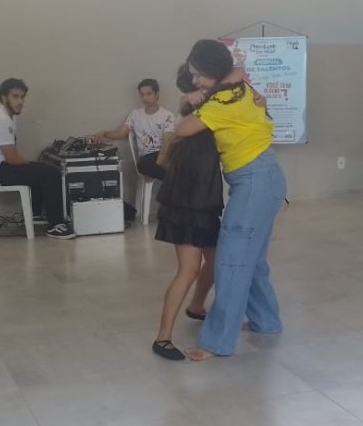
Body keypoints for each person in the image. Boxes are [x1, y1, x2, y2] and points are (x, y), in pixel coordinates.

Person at [173, 39, 287, 361]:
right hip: (266, 178)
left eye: (199, 75)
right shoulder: (240, 87)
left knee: (232, 260)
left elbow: (182, 129)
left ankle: (216, 342)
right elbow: (234, 73)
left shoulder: (222, 100)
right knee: (253, 259)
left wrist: (190, 99)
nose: (195, 80)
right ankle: (266, 321)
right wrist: (201, 92)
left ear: (213, 71)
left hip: (255, 183)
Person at [151, 65, 223, 361]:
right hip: (186, 203)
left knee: (216, 261)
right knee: (189, 269)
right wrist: (189, 98)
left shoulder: (211, 110)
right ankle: (162, 338)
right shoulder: (190, 116)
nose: (204, 89)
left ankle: (196, 306)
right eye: (199, 85)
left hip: (204, 201)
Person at [0, 78, 75, 239]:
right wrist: (25, 163)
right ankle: (56, 225)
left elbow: (13, 157)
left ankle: (35, 215)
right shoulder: (1, 119)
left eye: (22, 97)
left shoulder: (8, 117)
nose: (20, 102)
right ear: (3, 97)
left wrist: (27, 164)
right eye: (15, 96)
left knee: (40, 169)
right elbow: (12, 158)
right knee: (51, 173)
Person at [92, 78, 176, 182]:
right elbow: (121, 133)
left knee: (182, 161)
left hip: (164, 155)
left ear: (157, 94)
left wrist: (157, 166)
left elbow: (167, 142)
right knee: (143, 165)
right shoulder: (135, 114)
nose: (145, 98)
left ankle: (174, 182)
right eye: (142, 94)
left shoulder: (167, 116)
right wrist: (104, 133)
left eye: (149, 94)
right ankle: (175, 182)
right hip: (147, 158)